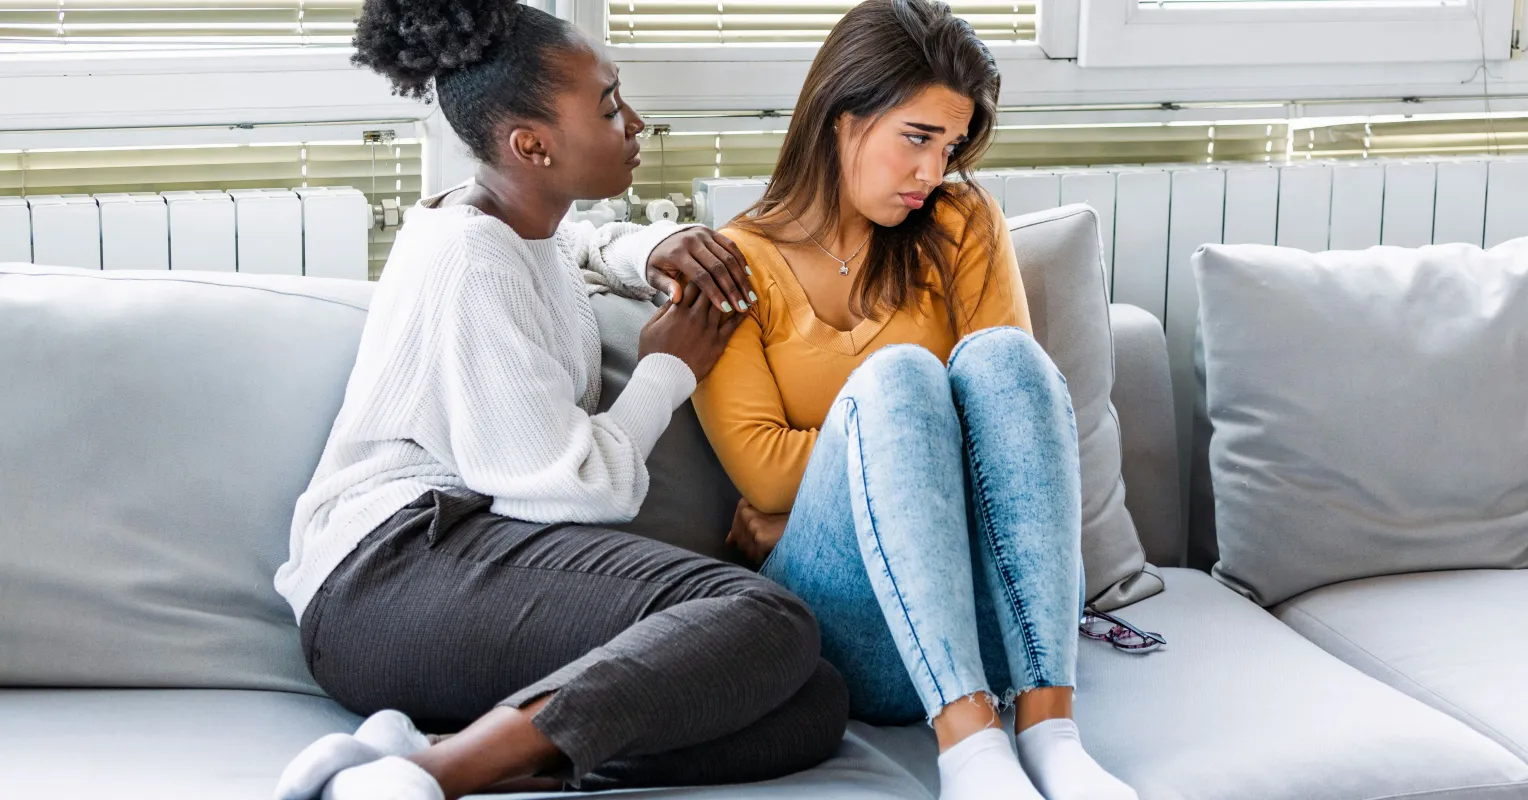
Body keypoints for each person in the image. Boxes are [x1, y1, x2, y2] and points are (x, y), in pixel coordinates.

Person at [269, 1, 848, 798]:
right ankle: (434, 775)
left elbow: (573, 249)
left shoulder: (510, 222)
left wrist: (650, 246)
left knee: (810, 701)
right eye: (609, 107)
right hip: (388, 578)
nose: (636, 122)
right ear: (530, 146)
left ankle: (438, 754)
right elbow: (576, 488)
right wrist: (666, 370)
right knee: (766, 619)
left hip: (440, 579)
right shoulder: (471, 263)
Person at [690, 2, 1136, 799]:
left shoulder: (961, 222)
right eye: (917, 138)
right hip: (852, 630)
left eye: (951, 145)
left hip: (1003, 624)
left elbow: (1010, 430)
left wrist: (848, 477)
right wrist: (898, 441)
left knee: (1003, 358)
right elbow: (759, 472)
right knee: (900, 381)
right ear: (840, 117)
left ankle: (1049, 733)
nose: (933, 173)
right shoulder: (736, 264)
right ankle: (970, 753)